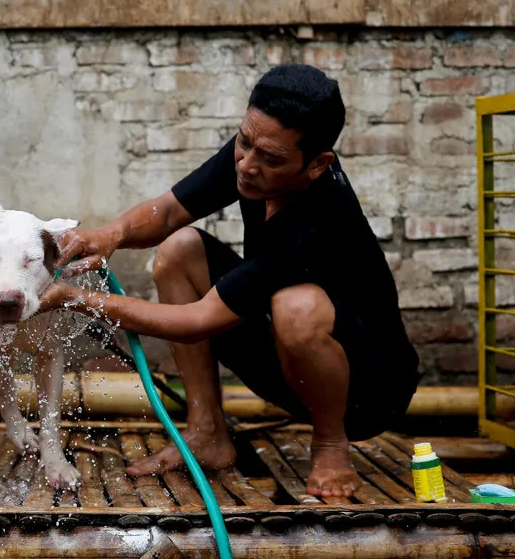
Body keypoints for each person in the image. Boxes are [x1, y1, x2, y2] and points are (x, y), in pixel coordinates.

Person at [39, 64, 420, 497]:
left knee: (297, 306)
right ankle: (206, 433)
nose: (247, 164)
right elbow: (165, 214)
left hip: (368, 391)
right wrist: (111, 234)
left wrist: (72, 298)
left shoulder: (317, 221)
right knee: (180, 249)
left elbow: (197, 320)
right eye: (244, 142)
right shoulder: (256, 152)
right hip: (286, 362)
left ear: (317, 165)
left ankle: (331, 446)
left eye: (270, 158)